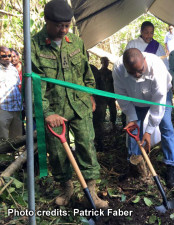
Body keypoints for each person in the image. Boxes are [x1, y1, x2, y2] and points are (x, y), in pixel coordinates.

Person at [31, 0, 108, 208]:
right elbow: (33, 85)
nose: (64, 30)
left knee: (87, 146)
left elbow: (86, 72)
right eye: (59, 26)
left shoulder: (75, 41)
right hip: (55, 109)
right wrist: (46, 112)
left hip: (79, 105)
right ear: (47, 21)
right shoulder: (34, 46)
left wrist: (90, 94)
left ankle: (91, 190)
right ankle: (66, 188)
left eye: (67, 25)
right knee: (57, 152)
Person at [112, 48, 174, 188]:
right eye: (132, 72)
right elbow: (121, 96)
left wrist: (149, 131)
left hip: (159, 98)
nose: (136, 75)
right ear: (125, 67)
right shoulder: (118, 69)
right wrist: (133, 119)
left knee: (166, 127)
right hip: (135, 101)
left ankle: (171, 167)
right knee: (133, 130)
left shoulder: (156, 67)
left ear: (144, 61)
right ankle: (133, 166)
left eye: (140, 70)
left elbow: (158, 103)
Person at [0, 46, 23, 140]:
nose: (7, 58)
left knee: (17, 138)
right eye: (3, 56)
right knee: (3, 138)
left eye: (9, 55)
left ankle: (15, 154)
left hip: (16, 109)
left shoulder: (13, 69)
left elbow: (18, 87)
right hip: (3, 109)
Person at [98, 57, 117, 131]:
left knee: (113, 111)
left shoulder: (111, 73)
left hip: (111, 94)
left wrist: (114, 94)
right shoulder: (98, 73)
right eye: (105, 62)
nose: (106, 63)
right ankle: (101, 126)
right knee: (101, 112)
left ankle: (113, 124)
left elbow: (114, 84)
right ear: (101, 62)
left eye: (107, 62)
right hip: (102, 96)